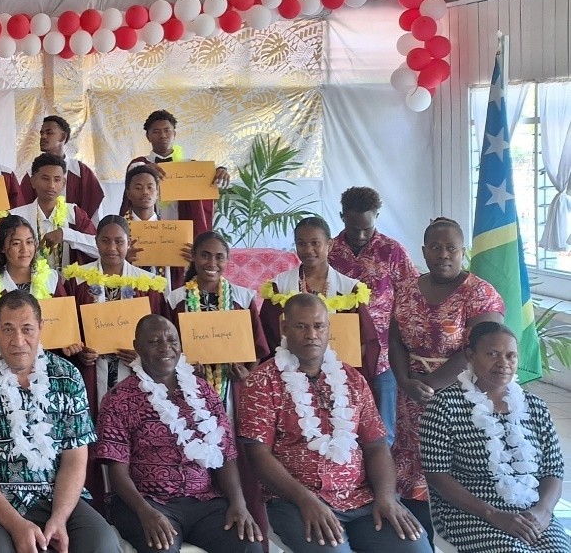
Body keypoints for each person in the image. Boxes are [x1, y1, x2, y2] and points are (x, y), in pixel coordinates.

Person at [238, 293, 428, 553]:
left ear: (328, 329)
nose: (311, 335)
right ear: (284, 328)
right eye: (301, 326)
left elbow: (376, 446)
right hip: (296, 501)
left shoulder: (353, 379)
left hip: (361, 498)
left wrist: (386, 498)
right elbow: (258, 455)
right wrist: (304, 500)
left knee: (415, 546)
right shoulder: (261, 382)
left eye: (319, 326)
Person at [0, 290, 124, 553]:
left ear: (41, 328)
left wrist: (60, 517)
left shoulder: (67, 377)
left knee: (103, 544)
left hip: (57, 497)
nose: (18, 340)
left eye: (27, 329)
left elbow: (75, 457)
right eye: (8, 329)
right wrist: (16, 525)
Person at [96, 315, 261, 553]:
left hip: (204, 502)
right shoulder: (119, 398)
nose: (166, 348)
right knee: (162, 548)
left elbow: (225, 454)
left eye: (172, 340)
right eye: (154, 341)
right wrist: (145, 512)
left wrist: (238, 503)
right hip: (146, 502)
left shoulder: (204, 391)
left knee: (249, 545)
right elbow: (116, 470)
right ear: (137, 347)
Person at [420, 321, 569, 553]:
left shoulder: (535, 406)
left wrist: (543, 511)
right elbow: (436, 475)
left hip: (531, 511)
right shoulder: (445, 405)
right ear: (470, 355)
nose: (504, 364)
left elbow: (553, 470)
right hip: (470, 512)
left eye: (511, 356)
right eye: (492, 354)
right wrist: (493, 514)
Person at [390, 217, 504, 510]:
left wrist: (428, 385)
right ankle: (419, 533)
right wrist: (404, 381)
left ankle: (468, 524)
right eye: (435, 247)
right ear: (424, 250)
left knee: (453, 467)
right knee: (414, 467)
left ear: (462, 251)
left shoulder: (480, 293)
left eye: (451, 248)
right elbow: (395, 341)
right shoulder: (405, 288)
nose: (443, 254)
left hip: (461, 396)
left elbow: (481, 350)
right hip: (410, 394)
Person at [166, 230, 271, 538]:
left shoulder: (241, 297)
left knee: (236, 453)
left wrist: (246, 373)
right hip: (188, 394)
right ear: (194, 258)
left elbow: (257, 348)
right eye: (205, 255)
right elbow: (166, 348)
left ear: (228, 261)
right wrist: (184, 366)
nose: (211, 262)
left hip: (232, 393)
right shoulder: (176, 299)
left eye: (219, 256)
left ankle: (245, 523)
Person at [330, 186, 419, 442]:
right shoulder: (329, 251)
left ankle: (385, 479)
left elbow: (411, 296)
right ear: (342, 216)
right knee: (343, 422)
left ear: (377, 216)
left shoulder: (392, 251)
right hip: (340, 352)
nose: (359, 235)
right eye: (353, 227)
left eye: (366, 229)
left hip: (383, 354)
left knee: (384, 428)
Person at [259, 216, 379, 385]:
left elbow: (364, 342)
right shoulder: (279, 287)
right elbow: (268, 335)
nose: (308, 250)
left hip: (337, 377)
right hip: (288, 375)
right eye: (301, 243)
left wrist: (345, 371)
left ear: (329, 245)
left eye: (315, 243)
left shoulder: (349, 290)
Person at [64, 215, 168, 404]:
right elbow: (69, 328)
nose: (112, 248)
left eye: (119, 241)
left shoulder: (147, 285)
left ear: (129, 243)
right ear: (96, 241)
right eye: (105, 241)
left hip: (135, 371)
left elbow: (160, 335)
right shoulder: (78, 281)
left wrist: (143, 354)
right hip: (91, 371)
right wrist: (80, 350)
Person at [125, 110, 228, 233]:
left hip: (184, 231)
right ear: (148, 136)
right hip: (148, 231)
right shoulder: (139, 163)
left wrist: (220, 171)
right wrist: (146, 170)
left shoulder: (190, 166)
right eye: (156, 132)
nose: (162, 135)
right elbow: (136, 170)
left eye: (167, 130)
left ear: (174, 133)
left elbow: (210, 180)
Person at [0, 216, 67, 355]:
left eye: (29, 242)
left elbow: (64, 325)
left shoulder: (51, 279)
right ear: (2, 247)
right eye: (16, 243)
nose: (24, 249)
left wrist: (68, 343)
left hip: (46, 364)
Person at [8, 152, 99, 272]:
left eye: (57, 180)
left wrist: (66, 234)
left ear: (63, 183)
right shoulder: (16, 216)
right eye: (45, 179)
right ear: (33, 181)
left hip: (67, 287)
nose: (51, 185)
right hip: (28, 286)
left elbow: (99, 249)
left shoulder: (74, 214)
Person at [120, 165, 195, 282]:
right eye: (138, 188)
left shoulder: (173, 232)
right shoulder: (118, 230)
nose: (145, 192)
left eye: (150, 187)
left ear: (157, 192)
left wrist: (191, 259)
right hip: (130, 293)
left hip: (164, 294)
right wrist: (122, 259)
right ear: (128, 194)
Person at [18, 115, 103, 218]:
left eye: (49, 133)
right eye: (42, 133)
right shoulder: (32, 172)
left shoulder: (80, 171)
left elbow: (94, 207)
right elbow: (23, 207)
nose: (43, 137)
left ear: (63, 137)